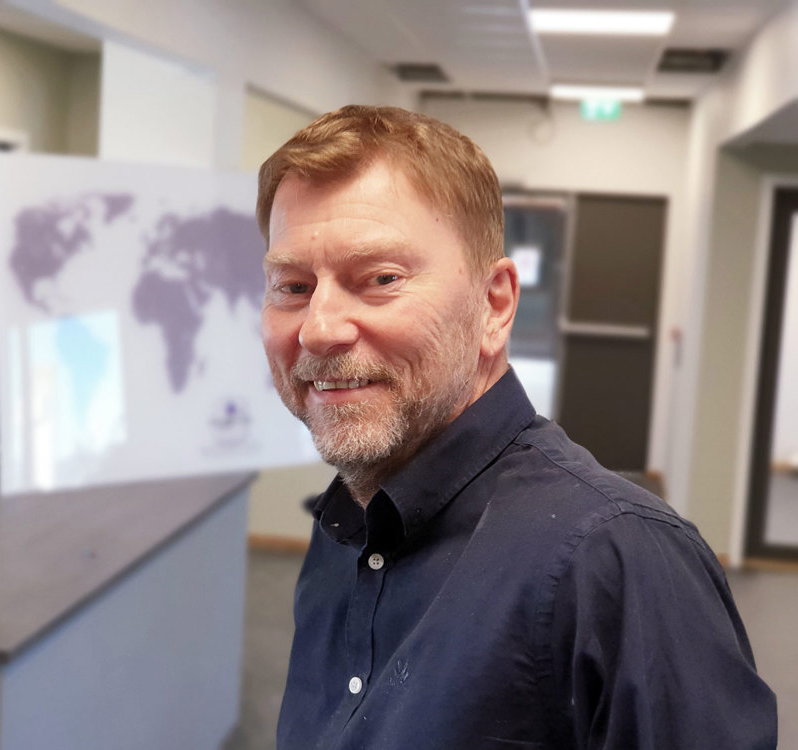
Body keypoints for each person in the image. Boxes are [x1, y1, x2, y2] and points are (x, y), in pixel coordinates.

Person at [256, 105, 777, 749]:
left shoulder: (615, 562)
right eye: (292, 286)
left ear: (495, 304)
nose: (319, 329)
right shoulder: (344, 532)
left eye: (381, 279)